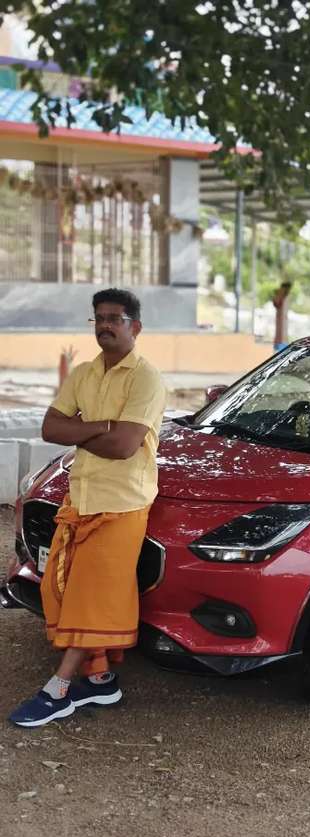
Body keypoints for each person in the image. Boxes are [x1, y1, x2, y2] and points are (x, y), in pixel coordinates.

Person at [9, 288, 167, 728]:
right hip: (80, 497)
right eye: (98, 317)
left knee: (88, 600)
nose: (105, 325)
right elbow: (49, 427)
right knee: (57, 589)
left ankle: (58, 690)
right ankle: (99, 680)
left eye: (115, 317)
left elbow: (123, 447)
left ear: (135, 326)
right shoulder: (83, 373)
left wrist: (80, 429)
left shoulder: (146, 378)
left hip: (123, 504)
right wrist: (102, 426)